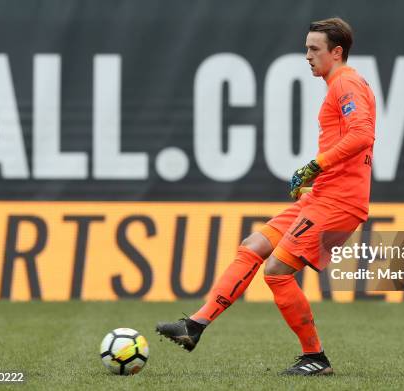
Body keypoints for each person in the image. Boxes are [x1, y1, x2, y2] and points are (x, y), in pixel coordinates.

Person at [156, 17, 375, 376]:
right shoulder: (339, 84)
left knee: (276, 272)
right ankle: (194, 325)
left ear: (336, 52)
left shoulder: (346, 83)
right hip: (322, 196)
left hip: (339, 203)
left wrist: (315, 165)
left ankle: (315, 358)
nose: (307, 55)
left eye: (313, 49)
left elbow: (363, 133)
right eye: (306, 48)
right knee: (254, 245)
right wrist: (318, 175)